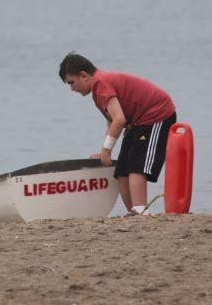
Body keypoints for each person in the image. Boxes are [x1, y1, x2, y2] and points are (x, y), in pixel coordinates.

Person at [59, 53, 176, 216]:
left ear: (83, 75)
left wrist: (106, 151)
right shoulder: (97, 90)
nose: (72, 89)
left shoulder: (101, 83)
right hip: (136, 121)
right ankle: (133, 212)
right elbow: (113, 120)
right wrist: (106, 150)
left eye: (72, 82)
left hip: (156, 114)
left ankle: (141, 209)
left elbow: (119, 120)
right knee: (122, 171)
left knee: (137, 166)